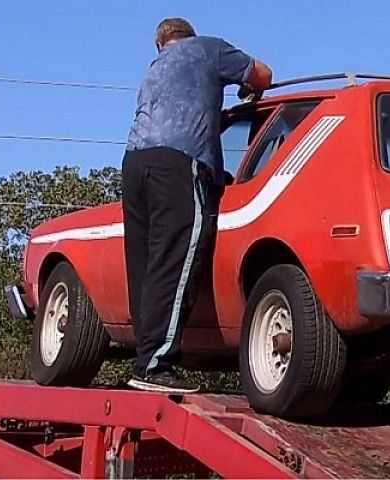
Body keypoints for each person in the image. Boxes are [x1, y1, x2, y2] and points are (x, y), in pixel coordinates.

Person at [122, 18, 272, 394]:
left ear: (160, 45)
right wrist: (245, 87)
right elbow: (263, 75)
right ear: (189, 36)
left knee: (146, 266)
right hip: (179, 162)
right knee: (176, 260)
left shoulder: (154, 70)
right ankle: (155, 366)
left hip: (135, 163)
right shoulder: (209, 48)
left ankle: (145, 359)